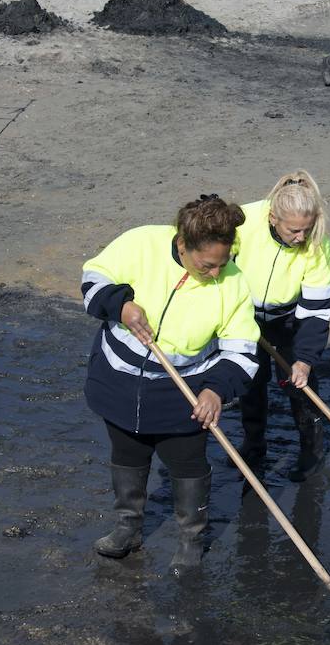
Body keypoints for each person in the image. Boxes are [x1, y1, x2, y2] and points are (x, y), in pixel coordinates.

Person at [81, 195, 260, 573]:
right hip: (120, 383)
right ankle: (127, 528)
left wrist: (215, 390)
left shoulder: (233, 284)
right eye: (206, 264)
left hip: (184, 394)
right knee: (128, 454)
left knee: (188, 464)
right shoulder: (140, 243)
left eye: (221, 263)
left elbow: (242, 352)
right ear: (183, 244)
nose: (215, 273)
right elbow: (93, 278)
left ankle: (191, 540)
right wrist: (121, 306)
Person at [231, 171, 330, 479]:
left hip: (290, 318)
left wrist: (304, 361)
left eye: (307, 229)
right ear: (273, 217)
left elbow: (316, 312)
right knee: (249, 379)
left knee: (300, 386)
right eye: (294, 231)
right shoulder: (244, 221)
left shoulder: (318, 244)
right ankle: (253, 445)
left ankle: (311, 450)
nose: (301, 237)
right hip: (244, 315)